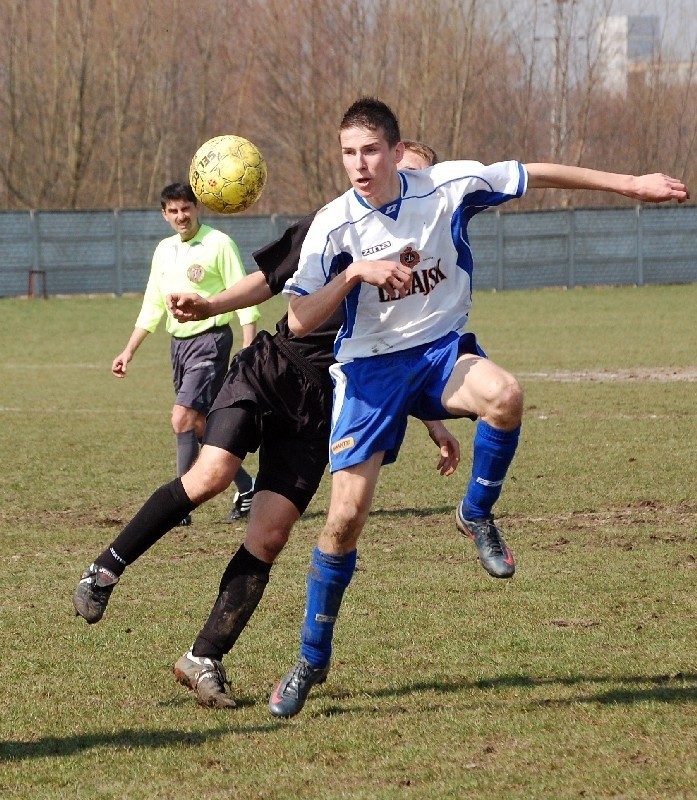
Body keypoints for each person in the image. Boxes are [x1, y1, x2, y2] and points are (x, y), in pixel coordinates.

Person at [267, 96, 690, 719]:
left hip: (438, 354)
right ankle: (310, 657)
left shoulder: (445, 186)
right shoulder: (334, 226)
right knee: (343, 523)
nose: (359, 164)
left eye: (371, 150)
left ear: (394, 148)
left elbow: (535, 172)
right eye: (348, 153)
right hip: (369, 373)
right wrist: (355, 274)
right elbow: (298, 315)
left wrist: (630, 183)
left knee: (506, 395)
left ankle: (475, 512)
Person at [71, 144, 456, 710]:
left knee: (269, 535)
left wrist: (433, 419)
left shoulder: (427, 268)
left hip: (325, 406)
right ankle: (104, 570)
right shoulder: (335, 221)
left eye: (424, 176)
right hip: (273, 371)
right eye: (407, 169)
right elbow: (267, 280)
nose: (412, 183)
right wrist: (209, 306)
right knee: (212, 475)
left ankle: (203, 658)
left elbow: (407, 358)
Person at [110, 183, 260, 526]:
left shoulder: (218, 243)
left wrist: (248, 343)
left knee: (180, 417)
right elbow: (152, 305)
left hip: (211, 341)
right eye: (173, 211)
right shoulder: (164, 251)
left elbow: (243, 292)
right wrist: (128, 351)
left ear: (197, 208)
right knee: (201, 427)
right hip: (178, 345)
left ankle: (179, 505)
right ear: (165, 215)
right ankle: (247, 486)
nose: (181, 216)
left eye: (186, 209)